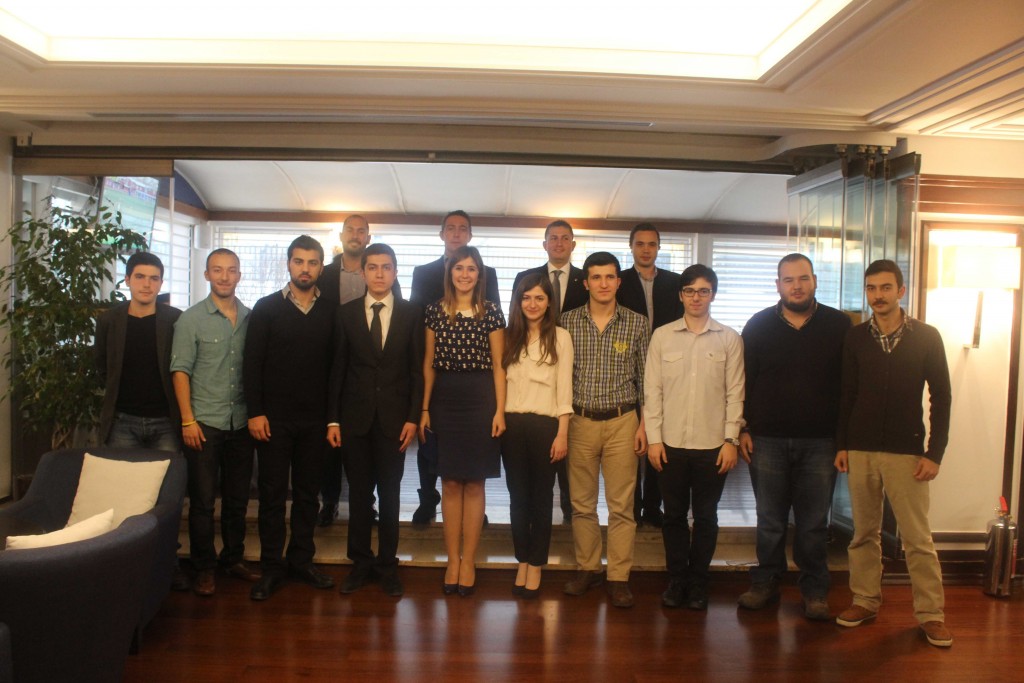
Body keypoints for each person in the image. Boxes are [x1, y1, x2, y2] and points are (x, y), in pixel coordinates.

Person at [834, 259, 953, 648]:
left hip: (907, 452)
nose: (878, 295)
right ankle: (865, 600)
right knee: (863, 534)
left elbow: (942, 396)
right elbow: (846, 395)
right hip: (861, 449)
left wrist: (935, 452)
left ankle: (931, 615)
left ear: (901, 291)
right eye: (871, 288)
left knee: (917, 538)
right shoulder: (856, 337)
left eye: (885, 287)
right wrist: (842, 445)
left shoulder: (926, 337)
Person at [736, 254, 851, 620]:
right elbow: (742, 383)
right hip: (766, 440)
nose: (796, 286)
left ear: (815, 281)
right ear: (778, 285)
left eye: (803, 279)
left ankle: (815, 590)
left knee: (813, 524)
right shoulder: (758, 326)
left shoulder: (839, 325)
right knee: (769, 520)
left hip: (821, 443)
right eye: (788, 280)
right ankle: (766, 582)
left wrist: (843, 441)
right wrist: (742, 428)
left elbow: (848, 388)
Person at [644, 264, 743, 610]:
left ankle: (699, 583)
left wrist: (731, 440)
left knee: (705, 517)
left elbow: (735, 393)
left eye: (703, 291)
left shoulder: (729, 338)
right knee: (672, 516)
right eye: (689, 291)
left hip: (713, 446)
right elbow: (652, 391)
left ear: (713, 294)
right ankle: (677, 581)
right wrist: (654, 439)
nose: (696, 297)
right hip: (669, 444)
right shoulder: (662, 336)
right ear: (681, 295)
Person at [328, 243, 424, 598]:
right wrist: (332, 420)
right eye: (373, 267)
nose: (379, 274)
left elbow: (417, 371)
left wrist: (413, 417)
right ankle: (360, 563)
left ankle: (387, 565)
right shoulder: (346, 314)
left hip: (395, 422)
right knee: (358, 495)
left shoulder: (412, 314)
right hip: (354, 420)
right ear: (363, 272)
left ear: (395, 272)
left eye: (386, 267)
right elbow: (337, 369)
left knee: (390, 494)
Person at [244, 235, 336, 601]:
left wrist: (332, 419)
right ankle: (272, 567)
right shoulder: (266, 308)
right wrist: (255, 412)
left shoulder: (331, 311)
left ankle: (301, 561)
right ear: (288, 264)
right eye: (299, 261)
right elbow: (252, 364)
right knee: (271, 496)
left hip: (315, 422)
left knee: (308, 495)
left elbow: (336, 369)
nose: (305, 268)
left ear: (321, 267)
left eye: (312, 262)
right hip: (273, 421)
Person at [560, 251, 649, 609]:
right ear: (586, 283)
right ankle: (588, 568)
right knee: (581, 504)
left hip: (623, 422)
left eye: (609, 277)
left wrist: (645, 425)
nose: (603, 283)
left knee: (621, 505)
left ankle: (619, 576)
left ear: (618, 281)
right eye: (596, 277)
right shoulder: (567, 322)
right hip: (580, 421)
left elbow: (646, 381)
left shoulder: (637, 324)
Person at [170, 248, 261, 597]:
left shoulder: (251, 318)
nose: (225, 276)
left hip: (241, 423)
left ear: (239, 275)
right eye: (218, 270)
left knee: (238, 500)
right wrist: (187, 420)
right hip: (204, 423)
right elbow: (180, 371)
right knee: (203, 502)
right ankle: (204, 567)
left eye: (231, 270)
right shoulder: (191, 319)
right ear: (207, 274)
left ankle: (233, 559)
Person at [418, 245, 506, 596]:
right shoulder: (434, 311)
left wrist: (500, 410)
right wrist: (425, 409)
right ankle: (452, 559)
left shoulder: (492, 311)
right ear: (450, 273)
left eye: (471, 268)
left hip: (481, 400)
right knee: (451, 483)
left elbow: (499, 366)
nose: (465, 274)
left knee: (475, 483)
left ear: (479, 274)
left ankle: (468, 560)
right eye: (459, 268)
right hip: (444, 400)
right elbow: (428, 364)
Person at [409, 210, 501, 525]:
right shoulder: (424, 273)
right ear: (442, 234)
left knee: (474, 471)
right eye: (451, 228)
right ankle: (427, 499)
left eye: (463, 228)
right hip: (438, 370)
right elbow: (417, 323)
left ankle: (474, 510)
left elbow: (494, 335)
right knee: (431, 448)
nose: (457, 233)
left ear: (470, 235)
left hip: (478, 385)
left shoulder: (488, 275)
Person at [316, 214, 399, 527]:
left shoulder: (384, 274)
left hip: (370, 372)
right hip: (330, 361)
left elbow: (394, 323)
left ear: (367, 237)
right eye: (349, 230)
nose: (355, 235)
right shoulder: (324, 274)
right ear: (341, 236)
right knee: (332, 444)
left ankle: (367, 505)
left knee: (367, 450)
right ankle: (329, 501)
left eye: (361, 231)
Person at [501, 272, 573, 598]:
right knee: (518, 498)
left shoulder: (561, 337)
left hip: (546, 427)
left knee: (542, 499)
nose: (532, 304)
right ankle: (522, 559)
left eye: (539, 298)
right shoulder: (508, 336)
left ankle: (537, 563)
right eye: (526, 297)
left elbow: (564, 389)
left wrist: (562, 433)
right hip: (512, 426)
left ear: (548, 303)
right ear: (518, 301)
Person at [511, 218, 586, 524]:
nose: (558, 243)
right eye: (553, 238)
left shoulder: (585, 280)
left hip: (566, 375)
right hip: (518, 414)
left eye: (564, 238)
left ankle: (568, 512)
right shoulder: (527, 278)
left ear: (573, 244)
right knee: (521, 494)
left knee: (558, 479)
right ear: (544, 244)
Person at [617, 223, 683, 529]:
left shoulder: (675, 282)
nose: (646, 249)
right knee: (631, 443)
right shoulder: (620, 281)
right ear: (631, 246)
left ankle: (653, 507)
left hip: (667, 368)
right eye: (640, 244)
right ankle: (631, 507)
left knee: (659, 439)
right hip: (627, 367)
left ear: (659, 247)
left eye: (651, 244)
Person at [95, 251, 181, 452]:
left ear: (161, 283)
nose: (147, 284)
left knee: (168, 473)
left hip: (166, 421)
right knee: (123, 473)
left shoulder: (176, 319)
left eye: (154, 279)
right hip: (122, 421)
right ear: (127, 280)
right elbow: (102, 365)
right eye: (140, 277)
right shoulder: (109, 320)